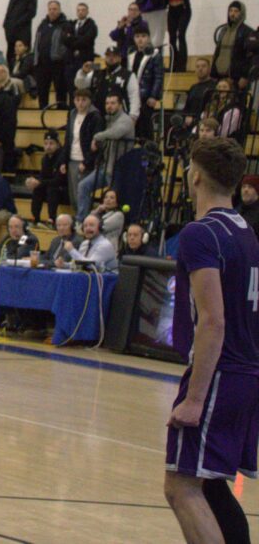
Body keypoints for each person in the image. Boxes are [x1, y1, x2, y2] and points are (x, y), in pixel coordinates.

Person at [164, 137, 259, 544]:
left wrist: (195, 398)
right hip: (246, 372)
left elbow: (213, 320)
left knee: (181, 485)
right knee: (212, 485)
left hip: (219, 373)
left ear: (196, 174)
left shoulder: (200, 234)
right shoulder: (246, 232)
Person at [76, 94, 135, 223]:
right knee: (83, 186)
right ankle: (81, 221)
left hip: (119, 168)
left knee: (113, 197)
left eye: (113, 103)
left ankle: (110, 223)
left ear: (120, 105)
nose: (109, 106)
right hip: (106, 166)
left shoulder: (125, 120)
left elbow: (115, 133)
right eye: (107, 103)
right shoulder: (108, 120)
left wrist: (97, 137)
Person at [60, 89, 104, 216]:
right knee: (73, 195)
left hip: (84, 160)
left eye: (84, 100)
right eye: (77, 100)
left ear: (89, 101)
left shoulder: (95, 116)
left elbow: (96, 144)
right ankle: (80, 219)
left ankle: (85, 220)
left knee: (82, 194)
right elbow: (68, 138)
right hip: (72, 158)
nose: (80, 103)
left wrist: (87, 161)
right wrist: (63, 160)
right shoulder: (72, 114)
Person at [74, 45, 140, 120]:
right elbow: (79, 85)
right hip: (98, 116)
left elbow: (134, 97)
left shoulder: (128, 75)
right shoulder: (97, 72)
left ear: (120, 58)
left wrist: (133, 116)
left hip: (119, 117)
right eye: (108, 55)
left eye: (114, 56)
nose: (111, 58)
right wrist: (83, 72)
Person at [165, 0, 206, 72]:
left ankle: (182, 65)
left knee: (181, 35)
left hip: (183, 10)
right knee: (172, 38)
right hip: (172, 10)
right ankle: (173, 64)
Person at [129, 25, 164, 140]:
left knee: (145, 127)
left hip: (146, 96)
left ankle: (148, 153)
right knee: (134, 127)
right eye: (137, 36)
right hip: (132, 96)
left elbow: (158, 77)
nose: (140, 39)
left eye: (143, 36)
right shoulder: (131, 55)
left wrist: (154, 96)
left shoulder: (155, 55)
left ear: (148, 38)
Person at [33, 0, 69, 109]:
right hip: (42, 63)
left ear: (59, 10)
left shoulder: (65, 25)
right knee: (42, 89)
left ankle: (60, 111)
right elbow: (36, 42)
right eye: (50, 9)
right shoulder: (42, 24)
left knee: (60, 88)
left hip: (57, 62)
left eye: (55, 9)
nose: (52, 11)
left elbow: (67, 44)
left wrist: (60, 55)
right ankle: (42, 110)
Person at [26, 130, 65, 226]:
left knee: (52, 189)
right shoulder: (45, 159)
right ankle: (35, 218)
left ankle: (52, 219)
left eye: (51, 143)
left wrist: (40, 182)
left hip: (62, 188)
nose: (48, 146)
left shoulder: (62, 157)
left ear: (58, 144)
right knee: (37, 189)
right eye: (46, 143)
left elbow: (59, 180)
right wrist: (34, 181)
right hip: (49, 185)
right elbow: (43, 176)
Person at [211, 0, 252, 89]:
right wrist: (213, 73)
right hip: (220, 79)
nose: (232, 14)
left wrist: (244, 76)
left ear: (241, 13)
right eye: (231, 11)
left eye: (236, 11)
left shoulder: (247, 32)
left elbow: (249, 57)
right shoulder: (223, 31)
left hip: (236, 80)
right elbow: (217, 53)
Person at [2, 0, 38, 68]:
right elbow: (9, 10)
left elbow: (31, 13)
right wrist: (5, 23)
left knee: (22, 57)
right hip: (11, 32)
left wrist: (17, 23)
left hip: (22, 32)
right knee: (10, 55)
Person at [62, 2, 98, 95]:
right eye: (78, 10)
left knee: (84, 88)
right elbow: (64, 39)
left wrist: (72, 38)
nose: (81, 12)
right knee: (71, 88)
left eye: (83, 10)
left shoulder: (91, 25)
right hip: (71, 61)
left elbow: (87, 40)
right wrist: (77, 39)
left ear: (87, 12)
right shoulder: (71, 24)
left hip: (85, 61)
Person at [203, 79, 247, 144]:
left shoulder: (234, 108)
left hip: (223, 141)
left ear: (230, 89)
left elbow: (225, 132)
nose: (221, 89)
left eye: (224, 87)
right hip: (207, 136)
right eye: (219, 87)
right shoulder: (210, 104)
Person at [182, 57, 216, 128]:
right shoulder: (193, 87)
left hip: (205, 122)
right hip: (189, 121)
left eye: (203, 66)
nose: (200, 69)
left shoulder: (214, 86)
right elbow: (187, 107)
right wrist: (185, 118)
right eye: (197, 67)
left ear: (209, 69)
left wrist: (196, 120)